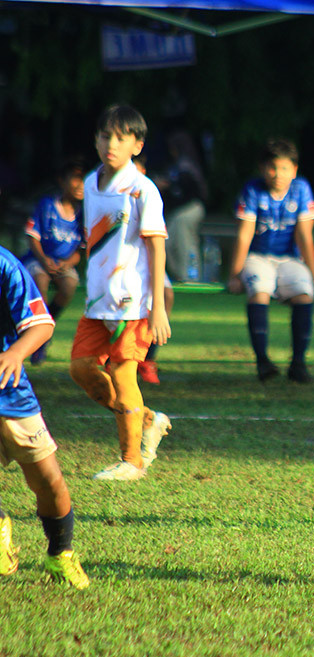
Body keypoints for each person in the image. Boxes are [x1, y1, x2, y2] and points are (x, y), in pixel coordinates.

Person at [68, 104, 173, 482]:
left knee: (123, 375)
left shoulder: (142, 190)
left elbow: (156, 246)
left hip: (133, 303)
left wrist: (158, 307)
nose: (110, 143)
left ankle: (132, 462)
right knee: (81, 369)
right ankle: (146, 420)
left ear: (137, 145)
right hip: (98, 301)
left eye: (120, 137)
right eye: (104, 135)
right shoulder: (92, 185)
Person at [0, 246, 90, 589]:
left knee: (48, 482)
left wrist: (15, 353)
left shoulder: (5, 266)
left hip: (10, 391)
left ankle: (60, 553)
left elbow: (40, 324)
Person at [227, 138, 314, 383]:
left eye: (284, 168)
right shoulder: (252, 189)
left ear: (294, 170)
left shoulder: (301, 188)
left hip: (289, 258)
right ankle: (263, 361)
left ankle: (298, 363)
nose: (277, 174)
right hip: (258, 257)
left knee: (304, 293)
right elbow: (244, 234)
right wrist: (235, 273)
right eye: (272, 167)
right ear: (262, 168)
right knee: (259, 291)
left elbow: (304, 236)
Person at [19, 156, 87, 366]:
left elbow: (82, 247)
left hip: (63, 262)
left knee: (69, 285)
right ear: (62, 181)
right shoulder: (48, 205)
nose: (79, 185)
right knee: (40, 282)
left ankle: (45, 329)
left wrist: (68, 263)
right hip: (39, 259)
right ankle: (36, 336)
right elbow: (33, 236)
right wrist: (44, 259)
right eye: (74, 179)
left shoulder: (83, 213)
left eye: (82, 180)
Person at [133, 154, 175, 384]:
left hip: (147, 260)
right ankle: (112, 358)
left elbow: (156, 241)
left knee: (166, 295)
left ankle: (148, 358)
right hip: (121, 266)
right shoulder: (105, 191)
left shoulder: (149, 194)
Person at [157, 130, 209, 283]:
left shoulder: (187, 164)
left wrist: (169, 185)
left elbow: (190, 190)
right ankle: (179, 275)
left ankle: (191, 277)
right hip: (179, 212)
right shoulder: (176, 164)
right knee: (167, 242)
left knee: (185, 242)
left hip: (191, 208)